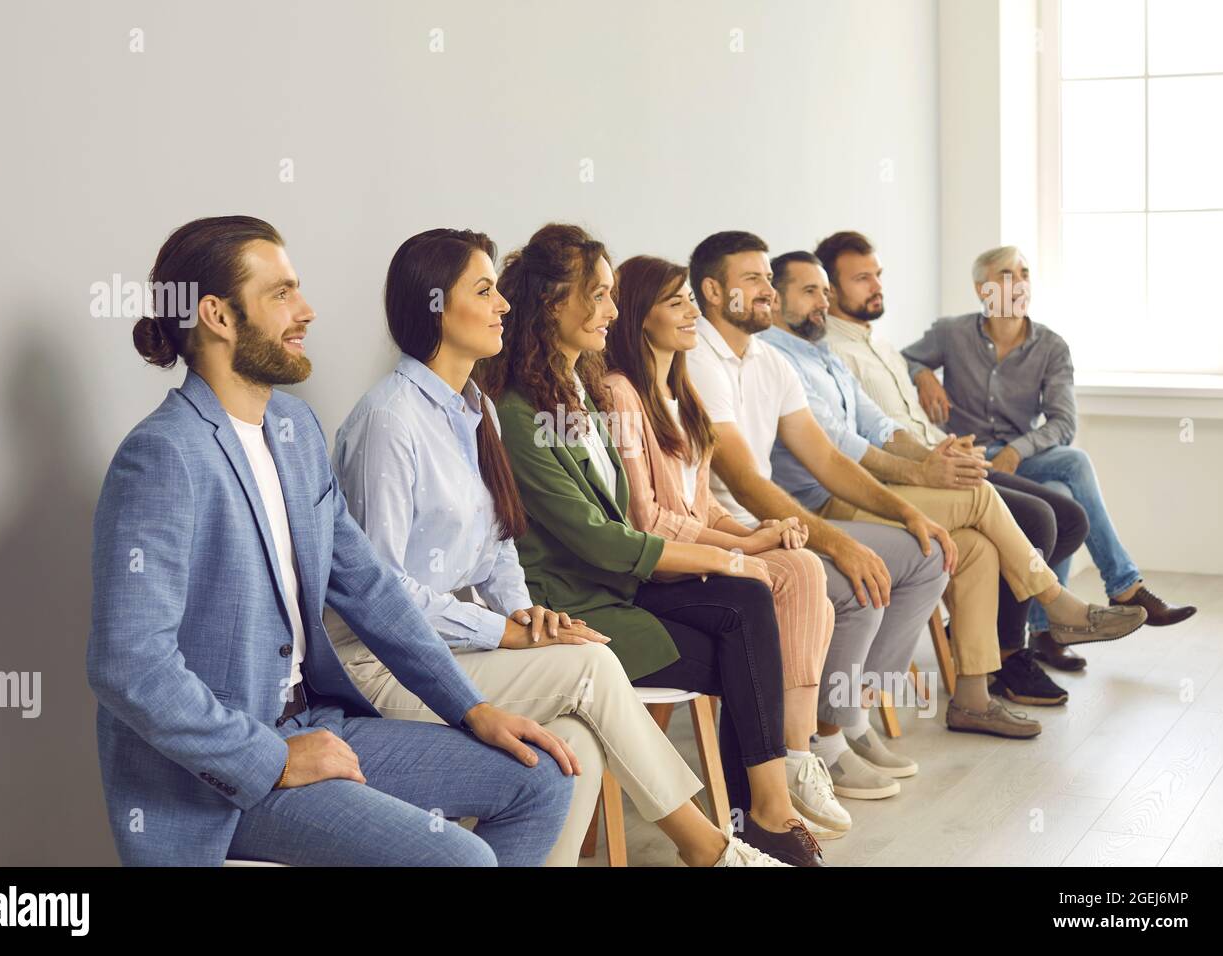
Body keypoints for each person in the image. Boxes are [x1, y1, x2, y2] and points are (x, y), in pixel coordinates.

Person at [87, 216, 575, 867]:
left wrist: (472, 710)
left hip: (316, 722)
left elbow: (369, 585)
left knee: (542, 779)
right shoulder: (164, 456)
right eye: (281, 294)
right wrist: (269, 758)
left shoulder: (293, 427)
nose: (307, 311)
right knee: (462, 861)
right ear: (218, 316)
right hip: (219, 776)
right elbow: (128, 663)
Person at [324, 228, 783, 867]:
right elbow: (383, 595)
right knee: (592, 666)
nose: (503, 305)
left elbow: (497, 546)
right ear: (435, 307)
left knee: (573, 746)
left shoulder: (471, 408)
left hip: (450, 644)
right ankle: (710, 849)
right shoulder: (390, 422)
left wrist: (522, 614)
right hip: (379, 665)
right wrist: (504, 632)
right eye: (483, 291)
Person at [685, 231, 1147, 748]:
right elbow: (793, 469)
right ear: (712, 290)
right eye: (762, 281)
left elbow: (852, 441)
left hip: (836, 495)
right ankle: (1055, 607)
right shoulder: (728, 358)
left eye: (773, 280)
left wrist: (924, 476)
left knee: (975, 546)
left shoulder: (793, 358)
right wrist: (907, 494)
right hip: (799, 510)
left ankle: (971, 696)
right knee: (979, 503)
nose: (818, 300)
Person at [480, 223, 825, 866]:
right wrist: (730, 555)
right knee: (746, 645)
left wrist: (737, 557)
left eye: (614, 295)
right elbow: (601, 540)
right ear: (555, 303)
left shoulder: (581, 390)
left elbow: (635, 524)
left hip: (621, 590)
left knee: (747, 609)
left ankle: (763, 815)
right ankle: (756, 819)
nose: (613, 311)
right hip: (580, 605)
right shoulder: (521, 411)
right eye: (601, 296)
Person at [602, 254, 846, 837]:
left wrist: (752, 535)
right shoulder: (619, 394)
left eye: (690, 298)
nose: (691, 312)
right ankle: (783, 772)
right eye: (675, 302)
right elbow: (648, 517)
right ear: (640, 319)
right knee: (786, 588)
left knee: (804, 572)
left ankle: (793, 759)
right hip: (659, 570)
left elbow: (702, 505)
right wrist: (744, 548)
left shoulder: (680, 392)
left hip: (697, 552)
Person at [808, 231, 1090, 695]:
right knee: (1039, 521)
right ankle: (1011, 654)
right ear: (831, 289)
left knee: (1068, 512)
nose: (876, 285)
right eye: (861, 278)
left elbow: (896, 423)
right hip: (903, 479)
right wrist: (925, 466)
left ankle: (1019, 626)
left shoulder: (878, 344)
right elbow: (851, 446)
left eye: (877, 275)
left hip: (941, 455)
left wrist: (940, 441)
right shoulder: (834, 353)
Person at [902, 246, 1197, 650]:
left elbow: (1064, 421)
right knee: (1061, 492)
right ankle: (1084, 609)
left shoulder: (1051, 347)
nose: (1020, 281)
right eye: (1007, 274)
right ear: (982, 289)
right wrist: (922, 374)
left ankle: (1058, 621)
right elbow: (898, 362)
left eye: (1025, 272)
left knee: (1070, 467)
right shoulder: (950, 334)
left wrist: (1018, 450)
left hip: (1023, 459)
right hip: (966, 458)